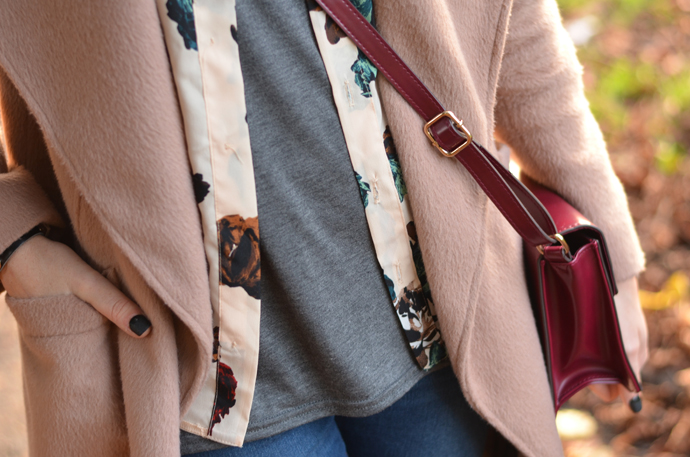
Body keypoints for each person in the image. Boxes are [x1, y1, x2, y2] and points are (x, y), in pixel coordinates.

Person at [0, 0, 648, 456]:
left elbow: (509, 19)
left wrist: (608, 252)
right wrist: (14, 233)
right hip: (202, 376)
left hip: (441, 326)